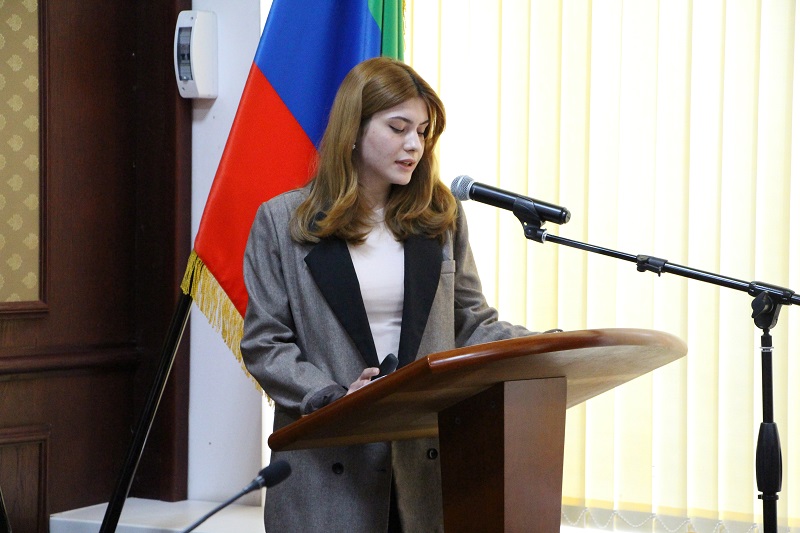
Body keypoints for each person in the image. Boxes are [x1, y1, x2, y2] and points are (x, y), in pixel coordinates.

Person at [240, 56, 537, 532]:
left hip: (422, 464)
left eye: (422, 131)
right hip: (330, 465)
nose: (414, 144)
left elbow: (470, 322)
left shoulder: (440, 216)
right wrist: (333, 397)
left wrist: (541, 346)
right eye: (398, 128)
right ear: (353, 131)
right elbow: (265, 343)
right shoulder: (282, 222)